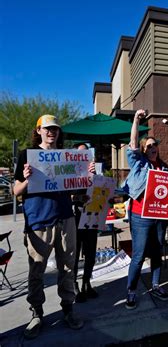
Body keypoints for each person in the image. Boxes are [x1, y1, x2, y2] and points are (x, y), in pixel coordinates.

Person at [13, 115, 91, 339]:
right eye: (47, 129)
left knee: (67, 268)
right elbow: (16, 191)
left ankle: (68, 309)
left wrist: (87, 179)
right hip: (39, 221)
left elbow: (76, 193)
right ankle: (36, 313)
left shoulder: (66, 157)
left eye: (55, 129)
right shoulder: (27, 156)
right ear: (38, 130)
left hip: (65, 218)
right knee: (37, 271)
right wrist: (27, 179)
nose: (51, 132)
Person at [121, 109, 168, 310]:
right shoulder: (139, 163)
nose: (153, 147)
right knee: (139, 255)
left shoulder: (164, 168)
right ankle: (132, 290)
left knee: (157, 252)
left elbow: (166, 191)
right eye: (148, 145)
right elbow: (132, 144)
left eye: (155, 145)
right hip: (140, 215)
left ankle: (156, 285)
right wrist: (136, 119)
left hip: (159, 216)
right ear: (143, 150)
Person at [71, 143, 98, 303]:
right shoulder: (68, 172)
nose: (83, 156)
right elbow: (63, 194)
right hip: (74, 217)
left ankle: (86, 282)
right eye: (80, 153)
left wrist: (94, 176)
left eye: (86, 153)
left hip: (91, 216)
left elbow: (101, 190)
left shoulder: (93, 170)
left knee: (91, 253)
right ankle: (73, 284)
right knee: (74, 254)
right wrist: (76, 198)